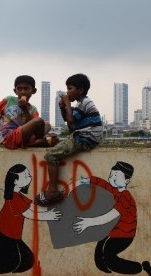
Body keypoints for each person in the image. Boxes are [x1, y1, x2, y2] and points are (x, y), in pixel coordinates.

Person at [0, 164, 61, 276]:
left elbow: (32, 207)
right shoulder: (13, 199)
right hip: (2, 236)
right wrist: (48, 215)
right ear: (15, 181)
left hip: (13, 237)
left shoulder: (19, 196)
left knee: (27, 261)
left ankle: (12, 270)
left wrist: (49, 210)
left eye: (29, 174)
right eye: (26, 176)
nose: (29, 177)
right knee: (12, 262)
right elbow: (29, 213)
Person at [72, 161, 151, 275]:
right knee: (101, 247)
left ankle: (139, 267)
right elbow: (100, 182)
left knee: (108, 255)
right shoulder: (114, 189)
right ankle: (102, 263)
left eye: (116, 176)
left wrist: (89, 222)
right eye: (111, 175)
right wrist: (82, 181)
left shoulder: (126, 197)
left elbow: (110, 216)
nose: (112, 178)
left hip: (124, 235)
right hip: (113, 230)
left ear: (126, 180)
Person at [35, 73, 103, 206]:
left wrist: (66, 103)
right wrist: (63, 108)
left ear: (80, 90)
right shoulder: (81, 104)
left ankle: (52, 191)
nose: (67, 92)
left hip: (85, 138)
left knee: (51, 155)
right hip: (84, 137)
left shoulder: (85, 102)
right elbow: (69, 122)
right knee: (56, 143)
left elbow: (70, 120)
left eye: (70, 88)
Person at [0, 75, 58, 151]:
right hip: (9, 136)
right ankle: (40, 142)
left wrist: (24, 108)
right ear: (15, 91)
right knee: (39, 121)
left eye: (26, 89)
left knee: (47, 125)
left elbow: (34, 129)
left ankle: (35, 143)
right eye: (19, 89)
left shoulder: (33, 109)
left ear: (33, 91)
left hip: (24, 136)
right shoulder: (9, 100)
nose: (23, 92)